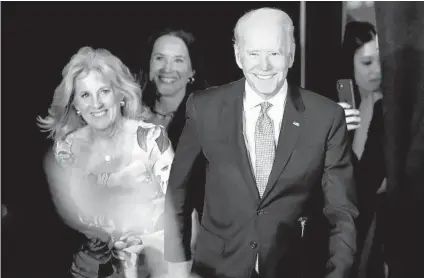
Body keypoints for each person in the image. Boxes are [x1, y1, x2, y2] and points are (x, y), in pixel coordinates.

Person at [165, 7, 358, 278]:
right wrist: (176, 266)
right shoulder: (204, 108)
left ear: (290, 55)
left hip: (295, 268)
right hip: (216, 269)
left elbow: (342, 211)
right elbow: (178, 190)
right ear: (238, 55)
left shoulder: (326, 117)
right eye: (254, 53)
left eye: (275, 53)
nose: (264, 66)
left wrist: (337, 273)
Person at [38, 46, 174, 278]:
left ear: (120, 94)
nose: (96, 104)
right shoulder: (66, 150)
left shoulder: (151, 139)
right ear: (76, 106)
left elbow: (179, 211)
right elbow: (66, 222)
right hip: (95, 268)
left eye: (104, 91)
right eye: (85, 95)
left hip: (156, 263)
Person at [138, 28, 209, 235]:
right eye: (159, 58)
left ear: (192, 71)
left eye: (178, 60)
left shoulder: (209, 122)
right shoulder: (129, 116)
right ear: (149, 65)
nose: (167, 69)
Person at [337, 21, 387, 278]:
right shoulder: (340, 111)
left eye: (380, 60)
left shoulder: (388, 109)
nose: (377, 70)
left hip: (377, 234)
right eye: (367, 63)